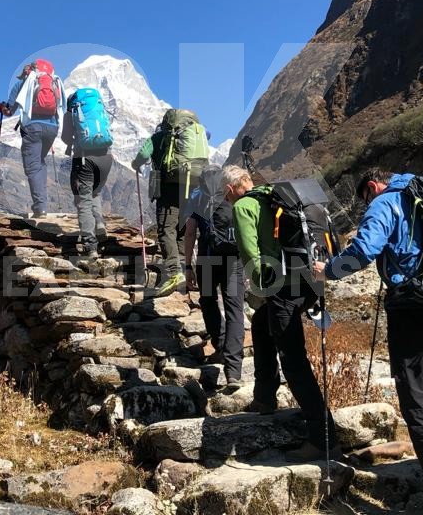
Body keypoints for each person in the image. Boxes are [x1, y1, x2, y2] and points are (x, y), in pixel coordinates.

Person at [313, 169, 423, 515]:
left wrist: (326, 270)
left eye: (364, 199)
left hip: (410, 307)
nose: (366, 205)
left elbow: (364, 250)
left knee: (419, 405)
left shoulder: (385, 202)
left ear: (371, 187)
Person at [225, 164, 337, 458]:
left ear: (231, 188)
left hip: (283, 287)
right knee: (262, 324)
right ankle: (264, 398)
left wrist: (261, 287)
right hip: (309, 280)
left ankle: (323, 437)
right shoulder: (272, 197)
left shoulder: (243, 207)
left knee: (294, 360)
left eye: (225, 193)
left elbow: (250, 252)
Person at [132, 109, 209, 297]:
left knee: (166, 229)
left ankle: (174, 273)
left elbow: (143, 154)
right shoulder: (195, 134)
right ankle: (184, 270)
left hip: (168, 187)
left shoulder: (159, 137)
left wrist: (136, 164)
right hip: (192, 184)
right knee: (184, 229)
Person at [182, 166, 244, 391]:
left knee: (208, 301)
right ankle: (234, 370)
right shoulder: (231, 192)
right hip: (234, 259)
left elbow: (190, 232)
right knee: (235, 309)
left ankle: (219, 344)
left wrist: (188, 265)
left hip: (208, 258)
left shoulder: (198, 196)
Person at [0, 60, 64, 218]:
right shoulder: (56, 82)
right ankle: (42, 204)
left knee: (33, 166)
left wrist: (1, 107)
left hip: (33, 127)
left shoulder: (23, 83)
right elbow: (61, 107)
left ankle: (40, 207)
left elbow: (9, 111)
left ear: (29, 71)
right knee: (40, 162)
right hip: (52, 128)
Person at [61, 90, 112, 259]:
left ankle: (90, 245)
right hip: (106, 158)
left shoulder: (72, 112)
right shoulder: (99, 108)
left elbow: (66, 137)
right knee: (94, 192)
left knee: (83, 200)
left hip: (84, 158)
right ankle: (99, 222)